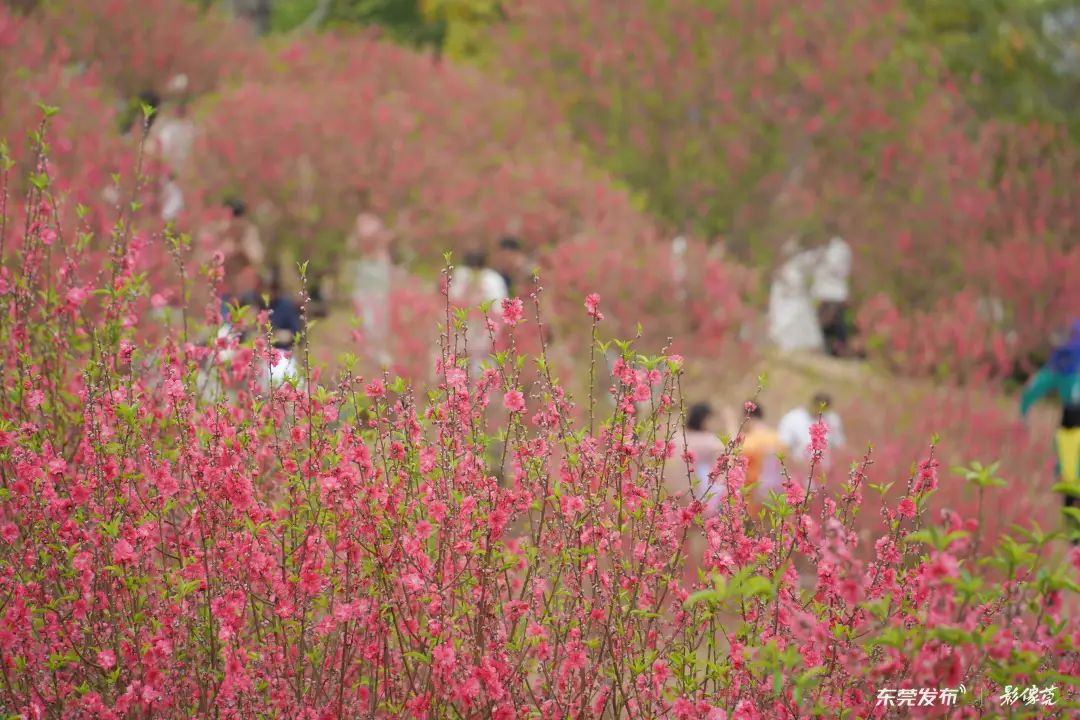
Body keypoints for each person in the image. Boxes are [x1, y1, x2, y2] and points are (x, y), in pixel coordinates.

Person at [1020, 320, 1080, 542]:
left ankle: (1074, 542)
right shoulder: (1064, 362)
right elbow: (1031, 392)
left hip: (1069, 429)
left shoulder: (1062, 362)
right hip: (1070, 429)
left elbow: (1030, 392)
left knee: (1070, 486)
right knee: (1070, 485)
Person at [348, 209, 395, 366]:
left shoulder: (381, 257)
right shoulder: (363, 259)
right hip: (366, 290)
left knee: (379, 322)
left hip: (378, 291)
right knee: (367, 322)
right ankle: (370, 351)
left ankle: (377, 351)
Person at [768, 238, 825, 352]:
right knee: (788, 320)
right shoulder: (786, 269)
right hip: (791, 299)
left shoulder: (799, 264)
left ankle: (799, 345)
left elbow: (813, 260)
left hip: (798, 298)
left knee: (799, 319)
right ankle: (787, 344)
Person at [810, 224, 854, 358]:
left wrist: (827, 264)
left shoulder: (841, 248)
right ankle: (828, 349)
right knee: (824, 323)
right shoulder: (822, 248)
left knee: (838, 323)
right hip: (823, 291)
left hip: (836, 291)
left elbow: (841, 269)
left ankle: (840, 348)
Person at [739, 404, 788, 513]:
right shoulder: (777, 437)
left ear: (746, 417)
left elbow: (737, 458)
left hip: (754, 493)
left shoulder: (749, 440)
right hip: (777, 491)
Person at [681, 403, 728, 509]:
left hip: (679, 490)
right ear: (704, 419)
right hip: (702, 489)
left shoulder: (680, 437)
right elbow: (726, 461)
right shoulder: (710, 440)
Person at [778, 393, 846, 464]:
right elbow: (783, 445)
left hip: (824, 470)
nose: (820, 412)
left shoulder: (832, 419)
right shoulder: (793, 418)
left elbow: (839, 445)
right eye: (817, 408)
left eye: (824, 410)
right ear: (812, 404)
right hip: (800, 467)